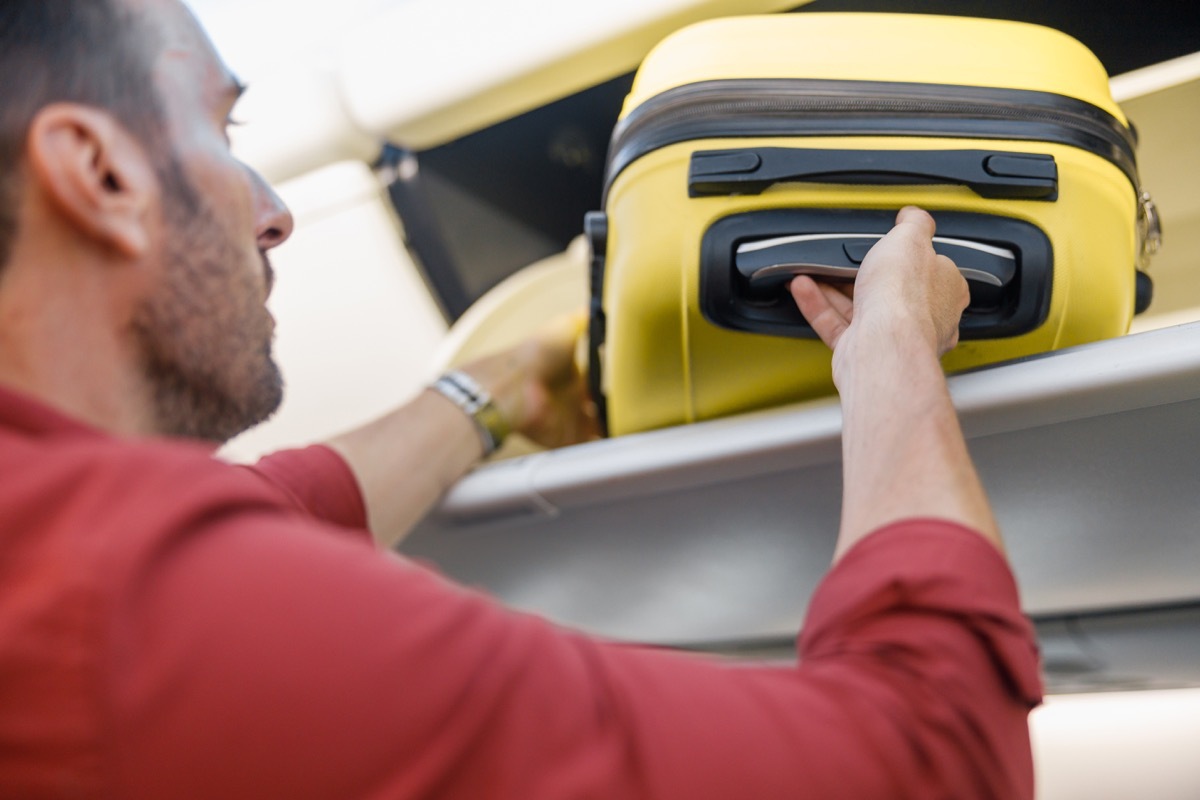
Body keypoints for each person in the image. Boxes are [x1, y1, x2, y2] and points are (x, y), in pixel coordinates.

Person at [0, 0, 1042, 797]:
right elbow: (929, 757)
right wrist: (893, 351)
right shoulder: (126, 608)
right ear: (97, 173)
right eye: (221, 134)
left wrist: (502, 385)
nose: (273, 214)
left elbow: (282, 502)